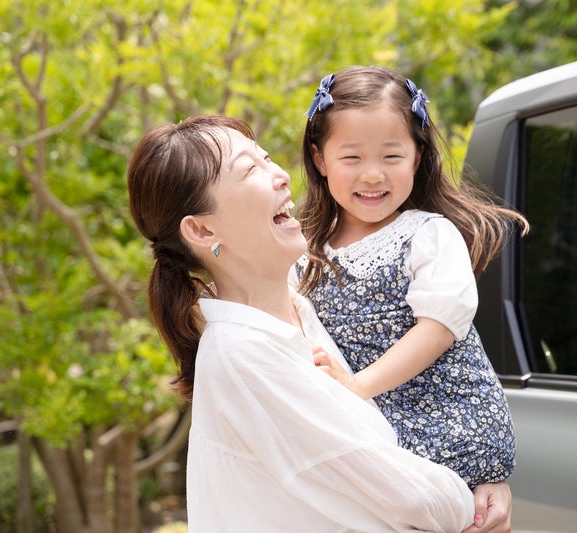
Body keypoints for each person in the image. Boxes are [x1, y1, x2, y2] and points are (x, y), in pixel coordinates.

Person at [127, 114, 512, 532]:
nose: (280, 176)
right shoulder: (245, 356)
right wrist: (472, 499)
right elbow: (412, 498)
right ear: (202, 230)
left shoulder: (305, 310)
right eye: (250, 170)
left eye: (267, 157)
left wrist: (483, 479)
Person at [293, 66, 529, 490]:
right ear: (319, 158)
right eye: (352, 157)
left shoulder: (428, 234)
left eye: (391, 156)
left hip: (449, 427)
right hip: (372, 434)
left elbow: (437, 330)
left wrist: (356, 386)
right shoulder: (304, 250)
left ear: (417, 157)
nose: (372, 174)